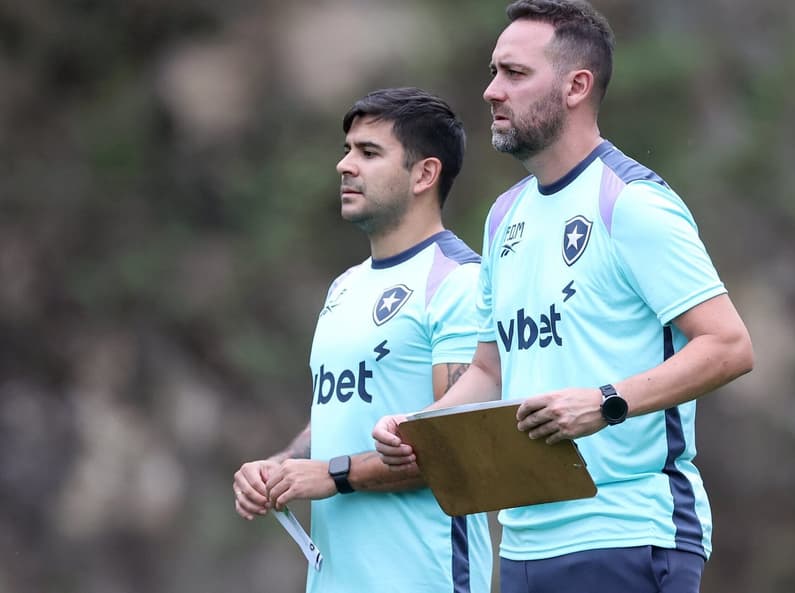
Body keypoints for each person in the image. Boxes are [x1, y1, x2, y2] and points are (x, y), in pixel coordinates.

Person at [373, 2, 754, 593]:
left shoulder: (630, 203)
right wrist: (419, 426)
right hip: (524, 544)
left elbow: (729, 345)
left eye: (515, 74)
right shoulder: (504, 216)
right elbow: (488, 369)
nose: (492, 91)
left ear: (577, 86)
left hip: (629, 533)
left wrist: (605, 402)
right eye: (494, 72)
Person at [233, 87, 492, 593]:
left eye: (369, 153)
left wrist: (333, 474)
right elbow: (341, 411)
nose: (345, 165)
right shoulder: (345, 287)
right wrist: (281, 467)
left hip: (425, 578)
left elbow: (461, 447)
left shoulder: (458, 281)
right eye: (347, 149)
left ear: (424, 174)